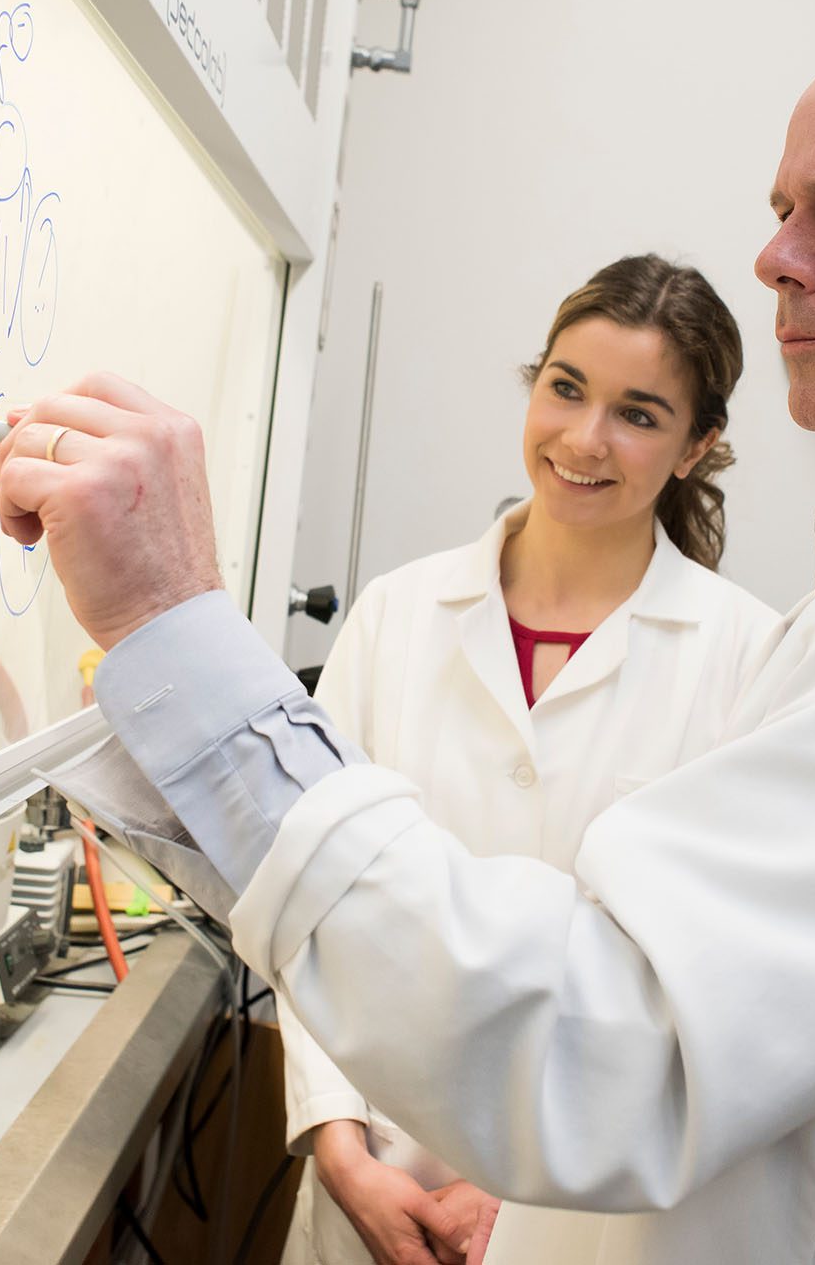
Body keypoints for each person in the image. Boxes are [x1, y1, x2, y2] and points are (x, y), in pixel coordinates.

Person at [0, 12, 815, 1263]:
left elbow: (597, 1052)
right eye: (781, 208)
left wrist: (177, 625)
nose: (775, 257)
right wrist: (174, 701)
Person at [277, 256, 780, 1265]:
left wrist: (514, 1197)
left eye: (638, 415)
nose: (582, 441)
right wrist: (338, 1147)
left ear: (697, 446)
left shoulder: (746, 659)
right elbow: (309, 895)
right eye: (564, 389)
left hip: (580, 1214)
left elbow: (712, 984)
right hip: (366, 1188)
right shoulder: (396, 616)